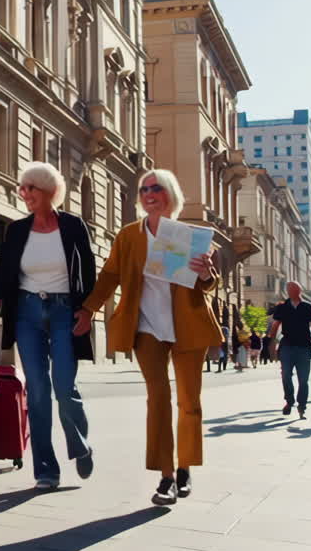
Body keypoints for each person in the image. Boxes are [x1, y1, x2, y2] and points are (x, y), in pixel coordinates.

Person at [75, 169, 220, 506]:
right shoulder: (129, 236)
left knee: (189, 402)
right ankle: (166, 477)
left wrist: (206, 274)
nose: (149, 193)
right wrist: (88, 309)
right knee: (158, 398)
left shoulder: (190, 236)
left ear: (170, 194)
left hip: (188, 327)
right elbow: (110, 275)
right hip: (146, 327)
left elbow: (210, 285)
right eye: (144, 189)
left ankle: (185, 468)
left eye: (156, 188)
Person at [0, 161, 95, 491]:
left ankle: (81, 445)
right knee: (38, 390)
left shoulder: (72, 226)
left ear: (49, 191)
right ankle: (46, 469)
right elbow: (2, 277)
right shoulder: (17, 230)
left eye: (31, 187)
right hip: (26, 312)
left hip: (64, 312)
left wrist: (87, 312)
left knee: (64, 387)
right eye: (23, 188)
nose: (24, 193)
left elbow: (89, 273)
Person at [268, 281, 311, 419]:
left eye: (294, 289)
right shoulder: (282, 307)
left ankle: (302, 406)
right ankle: (289, 400)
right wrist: (271, 344)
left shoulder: (308, 307)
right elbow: (275, 326)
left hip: (304, 347)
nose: (291, 292)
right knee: (286, 375)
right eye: (289, 289)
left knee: (303, 379)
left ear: (299, 291)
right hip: (287, 346)